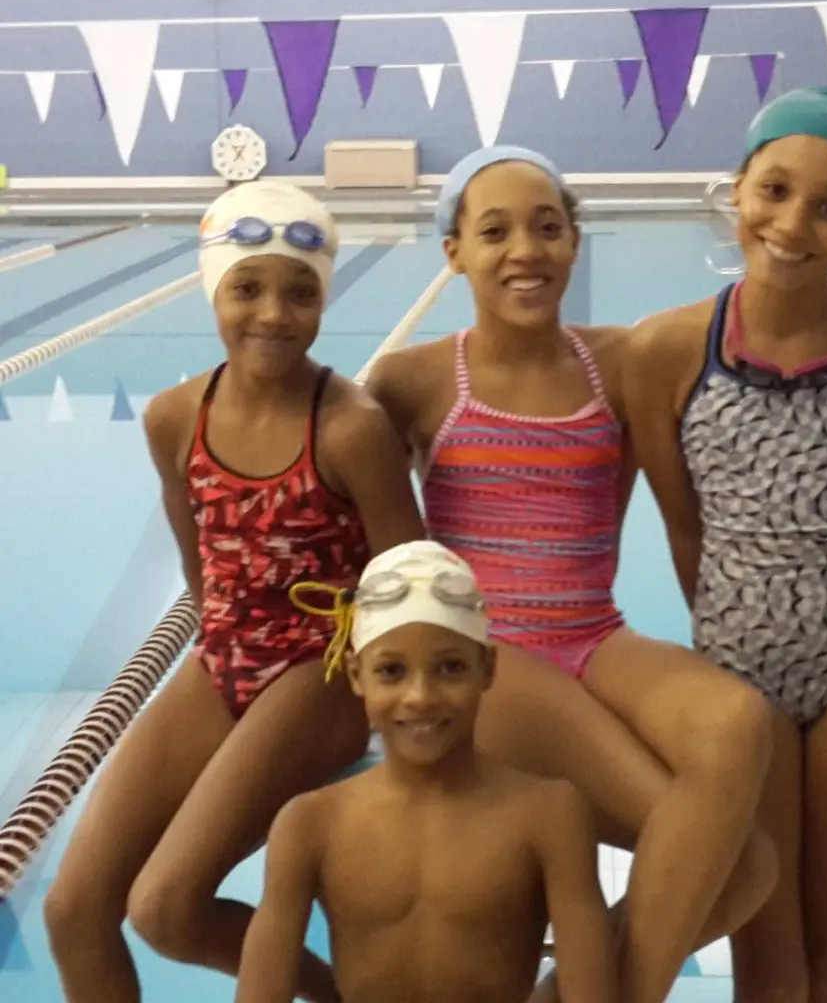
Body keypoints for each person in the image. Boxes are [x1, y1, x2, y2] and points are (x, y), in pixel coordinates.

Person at [366, 145, 778, 1003]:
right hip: (488, 653)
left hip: (594, 634)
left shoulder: (618, 363)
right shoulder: (414, 379)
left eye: (548, 227)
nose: (526, 249)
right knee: (720, 857)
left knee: (746, 831)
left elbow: (714, 396)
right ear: (455, 254)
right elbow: (347, 504)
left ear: (575, 241)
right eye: (496, 231)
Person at [43, 179, 425, 1003]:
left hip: (322, 669)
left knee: (167, 909)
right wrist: (222, 671)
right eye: (247, 287)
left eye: (300, 291)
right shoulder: (175, 418)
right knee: (74, 909)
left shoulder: (350, 428)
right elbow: (200, 571)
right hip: (225, 659)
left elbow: (411, 593)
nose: (272, 314)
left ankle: (332, 994)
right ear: (214, 288)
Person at [624, 87, 827, 1003]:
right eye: (774, 190)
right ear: (737, 189)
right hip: (735, 674)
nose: (794, 224)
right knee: (766, 954)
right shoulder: (666, 349)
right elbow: (680, 523)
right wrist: (738, 630)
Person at [236, 539, 617, 1003]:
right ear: (356, 675)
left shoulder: (549, 814)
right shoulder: (310, 825)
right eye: (392, 671)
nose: (420, 697)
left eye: (450, 668)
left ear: (487, 669)